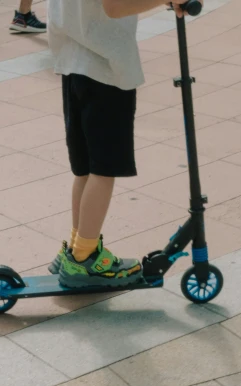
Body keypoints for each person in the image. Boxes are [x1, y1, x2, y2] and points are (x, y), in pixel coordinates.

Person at [47, 0, 191, 288]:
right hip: (104, 68)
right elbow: (114, 6)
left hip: (74, 59)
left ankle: (77, 249)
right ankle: (84, 259)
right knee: (104, 169)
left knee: (86, 169)